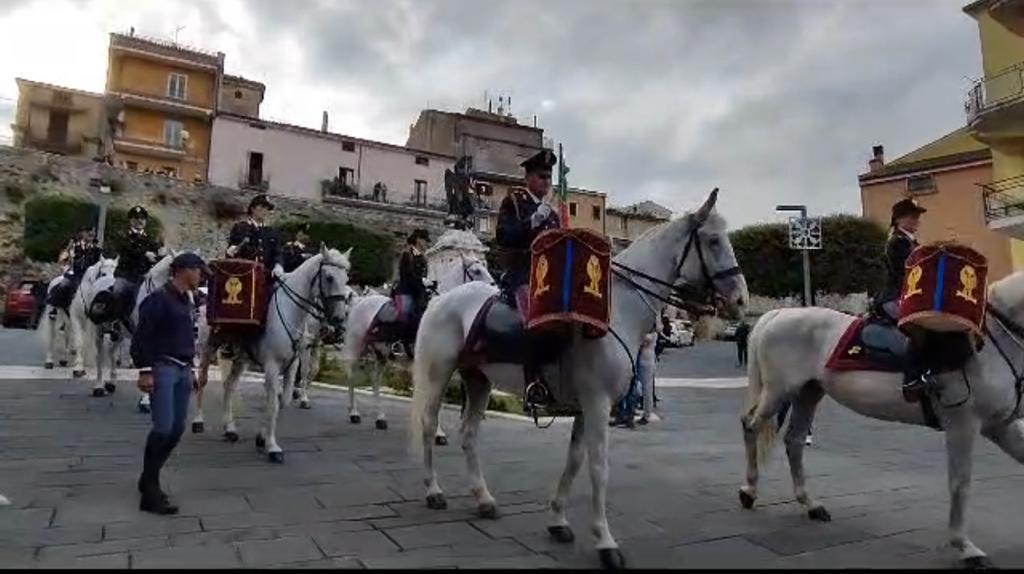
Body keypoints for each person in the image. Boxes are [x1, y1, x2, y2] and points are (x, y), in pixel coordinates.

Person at [131, 252, 209, 515]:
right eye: (198, 270)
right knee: (163, 428)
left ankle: (148, 477)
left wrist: (194, 369)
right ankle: (150, 491)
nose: (200, 275)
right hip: (163, 367)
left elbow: (191, 337)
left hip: (183, 369)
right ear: (183, 270)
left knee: (176, 429)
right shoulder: (157, 300)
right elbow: (142, 338)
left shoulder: (188, 300)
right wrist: (145, 370)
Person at [495, 148, 560, 413]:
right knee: (534, 320)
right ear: (529, 178)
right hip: (521, 275)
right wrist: (534, 220)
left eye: (548, 177)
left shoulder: (552, 213)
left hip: (550, 279)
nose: (546, 182)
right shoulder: (514, 201)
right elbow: (504, 236)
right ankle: (533, 385)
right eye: (542, 176)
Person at [878, 198, 934, 400]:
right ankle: (912, 379)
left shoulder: (912, 242)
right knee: (919, 326)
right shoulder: (897, 242)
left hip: (911, 295)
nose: (917, 220)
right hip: (894, 298)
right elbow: (907, 273)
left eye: (917, 216)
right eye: (912, 216)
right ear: (899, 219)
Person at [110, 206, 162, 320]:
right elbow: (126, 249)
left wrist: (160, 255)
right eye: (136, 218)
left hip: (143, 276)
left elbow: (157, 252)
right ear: (130, 220)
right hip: (126, 274)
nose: (140, 221)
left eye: (142, 219)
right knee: (118, 291)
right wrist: (145, 254)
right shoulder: (123, 235)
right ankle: (114, 322)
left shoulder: (151, 238)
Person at [46, 227, 102, 316]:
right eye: (88, 232)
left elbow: (99, 263)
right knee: (64, 285)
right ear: (82, 234)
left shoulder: (96, 250)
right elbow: (62, 259)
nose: (90, 235)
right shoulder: (74, 246)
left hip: (90, 276)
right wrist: (68, 251)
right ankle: (55, 308)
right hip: (75, 274)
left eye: (91, 233)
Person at [392, 229, 432, 354]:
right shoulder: (407, 254)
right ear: (418, 240)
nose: (426, 244)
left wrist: (430, 282)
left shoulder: (422, 256)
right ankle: (396, 341)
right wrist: (421, 281)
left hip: (420, 290)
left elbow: (425, 273)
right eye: (425, 241)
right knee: (405, 312)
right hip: (406, 289)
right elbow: (407, 274)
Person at [227, 194, 280, 270]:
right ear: (253, 209)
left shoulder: (271, 232)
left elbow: (277, 252)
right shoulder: (241, 228)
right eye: (262, 207)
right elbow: (233, 251)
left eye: (267, 208)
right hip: (246, 272)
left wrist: (278, 265)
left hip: (266, 275)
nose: (265, 211)